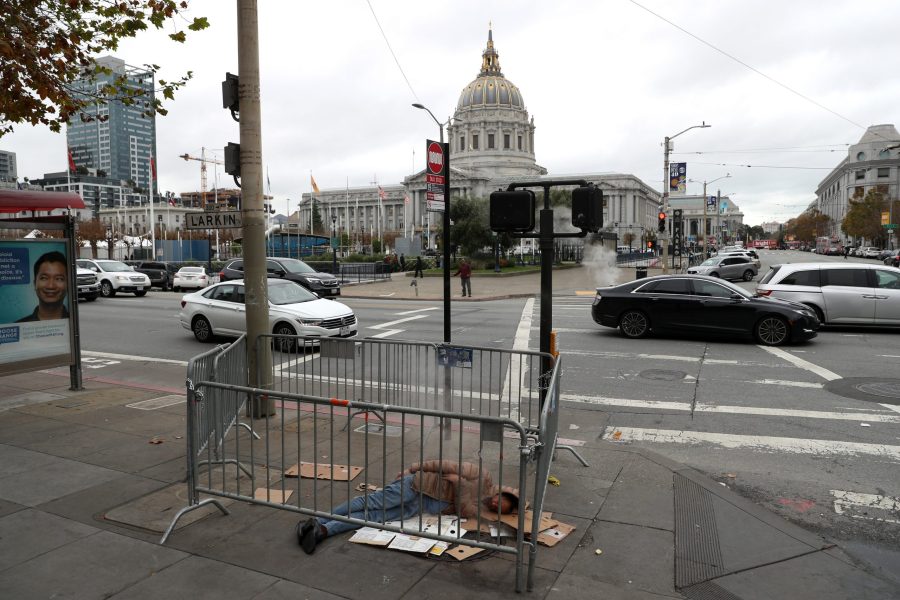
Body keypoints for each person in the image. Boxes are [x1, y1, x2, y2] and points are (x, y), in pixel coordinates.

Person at [296, 460, 518, 554]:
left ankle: (322, 531)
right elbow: (445, 464)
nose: (496, 504)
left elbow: (462, 509)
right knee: (369, 503)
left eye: (500, 508)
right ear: (500, 492)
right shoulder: (483, 475)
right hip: (414, 486)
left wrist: (459, 484)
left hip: (418, 506)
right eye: (501, 500)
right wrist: (413, 469)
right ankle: (319, 519)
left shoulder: (478, 509)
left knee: (372, 517)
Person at [17, 251, 69, 322]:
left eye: (59, 279)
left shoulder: (73, 322)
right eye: (44, 278)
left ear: (68, 284)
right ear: (35, 283)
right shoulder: (20, 326)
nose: (51, 286)